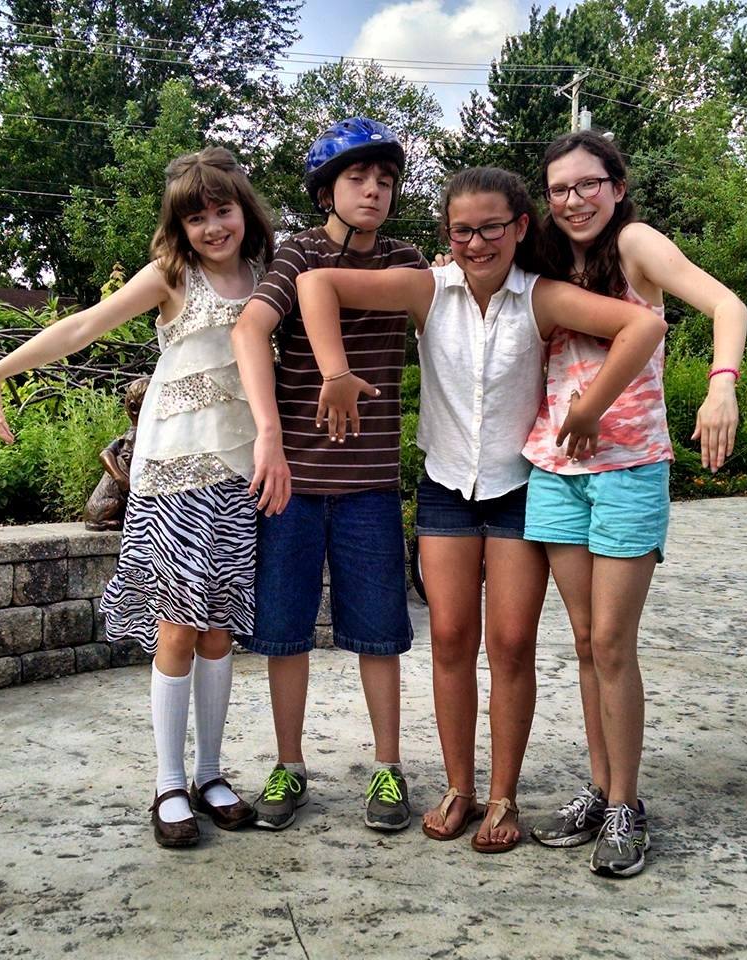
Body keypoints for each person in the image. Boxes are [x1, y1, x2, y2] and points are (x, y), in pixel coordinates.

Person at [296, 165, 667, 853]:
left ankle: (503, 797)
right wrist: (334, 371)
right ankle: (460, 787)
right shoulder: (426, 289)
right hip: (445, 491)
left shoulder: (540, 297)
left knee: (512, 646)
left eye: (491, 228)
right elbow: (316, 284)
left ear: (520, 227)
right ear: (447, 233)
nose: (476, 243)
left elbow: (641, 326)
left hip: (518, 489)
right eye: (461, 230)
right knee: (450, 640)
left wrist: (591, 406)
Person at [0, 147, 288, 848]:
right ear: (179, 226)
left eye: (223, 210)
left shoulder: (268, 274)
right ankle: (168, 782)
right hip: (172, 474)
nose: (213, 227)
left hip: (239, 474)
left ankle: (210, 775)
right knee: (178, 628)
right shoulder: (172, 275)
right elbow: (82, 326)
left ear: (244, 209)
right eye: (196, 217)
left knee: (220, 630)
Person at [526, 130, 747, 877]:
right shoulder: (547, 258)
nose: (574, 199)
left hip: (628, 471)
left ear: (617, 187)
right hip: (555, 470)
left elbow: (727, 305)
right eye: (560, 189)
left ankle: (627, 804)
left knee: (615, 644)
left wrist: (722, 385)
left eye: (588, 184)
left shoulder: (636, 244)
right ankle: (598, 789)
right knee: (586, 642)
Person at [231, 118, 428, 832]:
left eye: (385, 180)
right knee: (283, 633)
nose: (373, 190)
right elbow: (249, 328)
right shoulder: (297, 252)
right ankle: (289, 764)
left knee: (380, 634)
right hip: (291, 481)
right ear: (326, 192)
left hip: (369, 482)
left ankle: (388, 767)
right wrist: (270, 437)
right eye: (356, 178)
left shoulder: (407, 261)